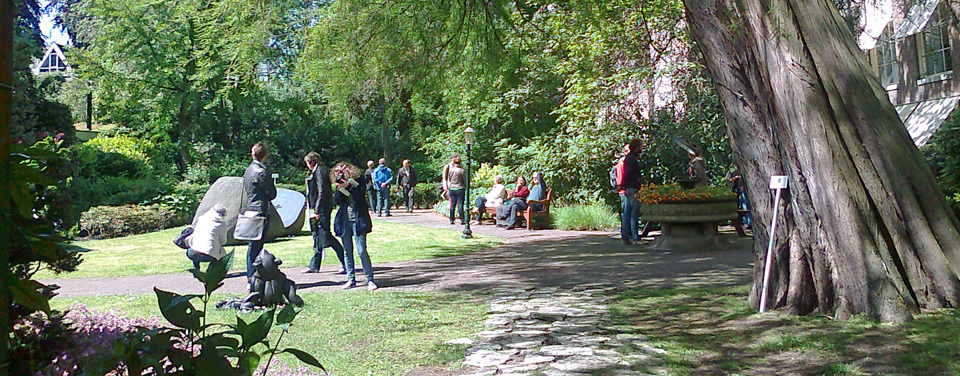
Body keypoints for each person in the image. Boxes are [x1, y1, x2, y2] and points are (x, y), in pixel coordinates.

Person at [331, 162, 378, 291]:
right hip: (344, 221)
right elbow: (337, 201)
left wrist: (349, 185)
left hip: (358, 220)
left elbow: (359, 195)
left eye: (343, 171)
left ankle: (370, 279)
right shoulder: (341, 185)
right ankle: (351, 279)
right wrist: (341, 189)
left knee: (361, 250)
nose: (341, 174)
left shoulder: (359, 181)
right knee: (347, 251)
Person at [303, 151, 346, 274]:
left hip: (322, 208)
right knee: (317, 235)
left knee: (326, 235)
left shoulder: (320, 171)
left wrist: (317, 210)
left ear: (311, 162)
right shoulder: (319, 171)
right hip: (320, 207)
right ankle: (314, 265)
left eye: (307, 163)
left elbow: (322, 191)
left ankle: (345, 261)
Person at [243, 141, 278, 286]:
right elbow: (272, 193)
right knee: (256, 246)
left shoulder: (248, 170)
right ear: (264, 156)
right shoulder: (262, 172)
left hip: (250, 208)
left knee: (253, 245)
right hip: (260, 211)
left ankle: (252, 277)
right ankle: (253, 278)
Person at [185, 204, 229, 270]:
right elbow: (223, 241)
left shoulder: (201, 219)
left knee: (196, 248)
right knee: (222, 255)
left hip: (191, 253)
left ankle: (196, 270)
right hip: (209, 254)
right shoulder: (222, 224)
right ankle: (211, 272)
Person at [616, 139, 642, 244]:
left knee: (628, 212)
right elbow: (629, 173)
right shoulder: (631, 159)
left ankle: (626, 235)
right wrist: (623, 184)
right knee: (633, 212)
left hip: (630, 187)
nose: (642, 148)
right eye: (641, 146)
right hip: (632, 187)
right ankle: (634, 236)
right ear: (636, 147)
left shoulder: (630, 158)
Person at [444, 155, 466, 225]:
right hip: (460, 188)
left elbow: (449, 179)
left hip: (452, 188)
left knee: (452, 204)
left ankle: (451, 219)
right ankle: (462, 219)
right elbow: (465, 180)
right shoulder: (462, 170)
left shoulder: (451, 170)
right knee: (460, 204)